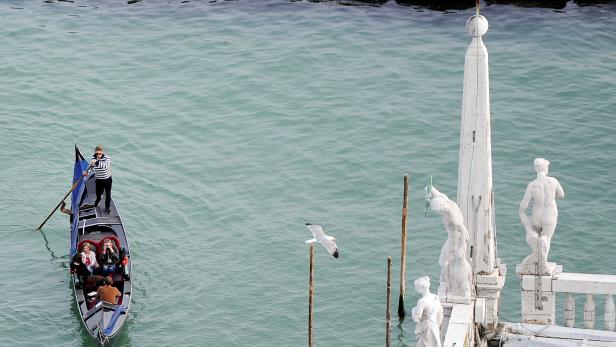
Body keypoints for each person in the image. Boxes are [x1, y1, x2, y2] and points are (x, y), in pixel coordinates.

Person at [518, 158, 564, 274]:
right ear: (546, 168)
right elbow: (561, 194)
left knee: (534, 238)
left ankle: (537, 261)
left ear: (535, 168)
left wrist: (528, 228)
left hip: (536, 215)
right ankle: (544, 266)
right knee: (546, 239)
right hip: (549, 214)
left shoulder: (532, 185)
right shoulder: (553, 181)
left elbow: (522, 209)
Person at [411, 276, 443, 347]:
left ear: (422, 288)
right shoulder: (435, 297)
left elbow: (416, 319)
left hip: (426, 328)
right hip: (434, 325)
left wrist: (413, 310)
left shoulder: (421, 301)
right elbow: (440, 313)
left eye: (416, 287)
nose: (415, 289)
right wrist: (437, 324)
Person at [83, 144, 112, 214]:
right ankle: (96, 203)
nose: (99, 155)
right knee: (98, 194)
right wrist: (86, 172)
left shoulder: (107, 158)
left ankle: (107, 207)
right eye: (97, 153)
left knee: (108, 194)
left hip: (107, 179)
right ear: (95, 153)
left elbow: (105, 166)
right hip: (99, 180)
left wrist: (96, 162)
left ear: (102, 152)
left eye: (100, 153)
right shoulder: (93, 159)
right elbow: (91, 168)